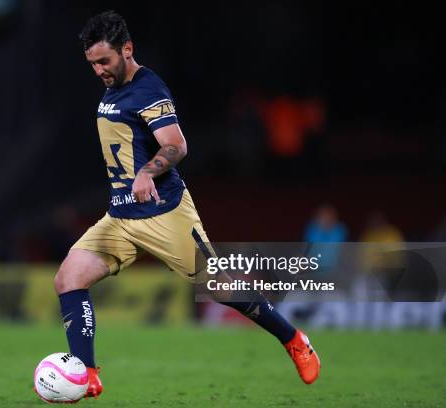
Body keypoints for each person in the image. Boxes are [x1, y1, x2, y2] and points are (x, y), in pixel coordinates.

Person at [54, 11, 320, 398]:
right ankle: (87, 375)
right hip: (121, 216)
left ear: (127, 50)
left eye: (104, 61)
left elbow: (177, 144)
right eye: (92, 64)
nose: (98, 70)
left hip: (165, 214)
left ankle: (294, 339)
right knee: (68, 279)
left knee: (221, 287)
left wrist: (147, 171)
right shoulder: (113, 88)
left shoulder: (148, 88)